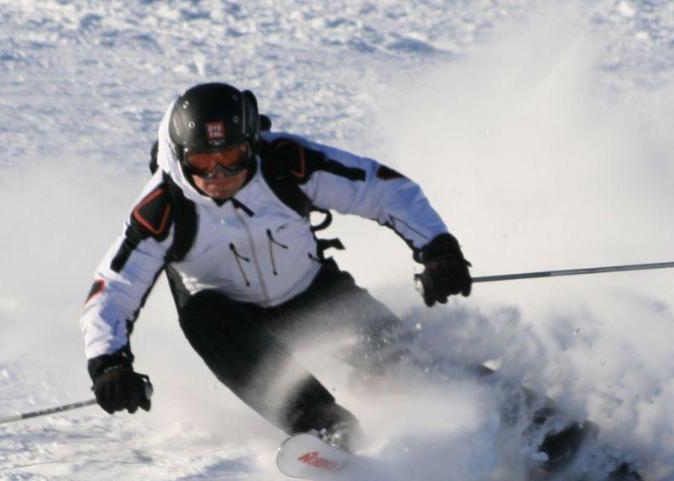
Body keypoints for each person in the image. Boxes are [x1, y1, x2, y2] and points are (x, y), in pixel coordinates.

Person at [79, 82, 472, 452]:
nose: (218, 175)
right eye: (202, 162)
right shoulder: (163, 207)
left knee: (414, 367)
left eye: (231, 158)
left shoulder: (287, 162)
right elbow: (113, 288)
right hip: (233, 326)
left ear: (251, 146)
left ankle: (514, 417)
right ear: (182, 159)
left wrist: (438, 250)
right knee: (201, 315)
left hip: (314, 296)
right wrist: (109, 364)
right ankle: (323, 425)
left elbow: (382, 189)